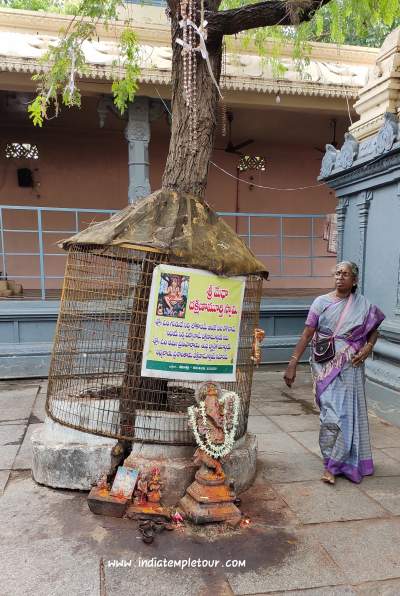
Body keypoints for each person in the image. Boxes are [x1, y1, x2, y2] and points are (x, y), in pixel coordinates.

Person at [283, 261, 385, 485]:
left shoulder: (362, 304)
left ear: (354, 280)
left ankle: (334, 465)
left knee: (348, 415)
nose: (340, 277)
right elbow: (306, 334)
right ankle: (331, 459)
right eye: (337, 273)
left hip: (351, 366)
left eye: (345, 274)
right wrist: (292, 363)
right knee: (331, 415)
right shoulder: (321, 302)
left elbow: (373, 333)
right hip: (324, 365)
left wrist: (367, 349)